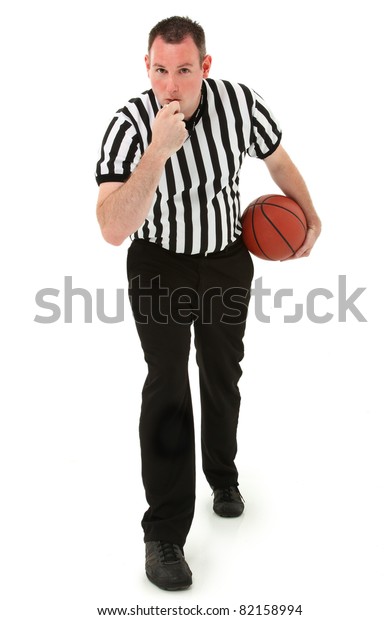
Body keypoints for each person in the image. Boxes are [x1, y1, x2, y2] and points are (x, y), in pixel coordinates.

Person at [95, 16, 321, 591]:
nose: (171, 85)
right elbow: (111, 227)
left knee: (222, 372)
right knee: (167, 381)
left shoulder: (239, 104)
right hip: (158, 262)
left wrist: (309, 214)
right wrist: (157, 151)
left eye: (185, 71)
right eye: (160, 71)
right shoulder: (127, 124)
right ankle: (164, 535)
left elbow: (276, 160)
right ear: (147, 67)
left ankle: (222, 475)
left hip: (225, 258)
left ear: (206, 68)